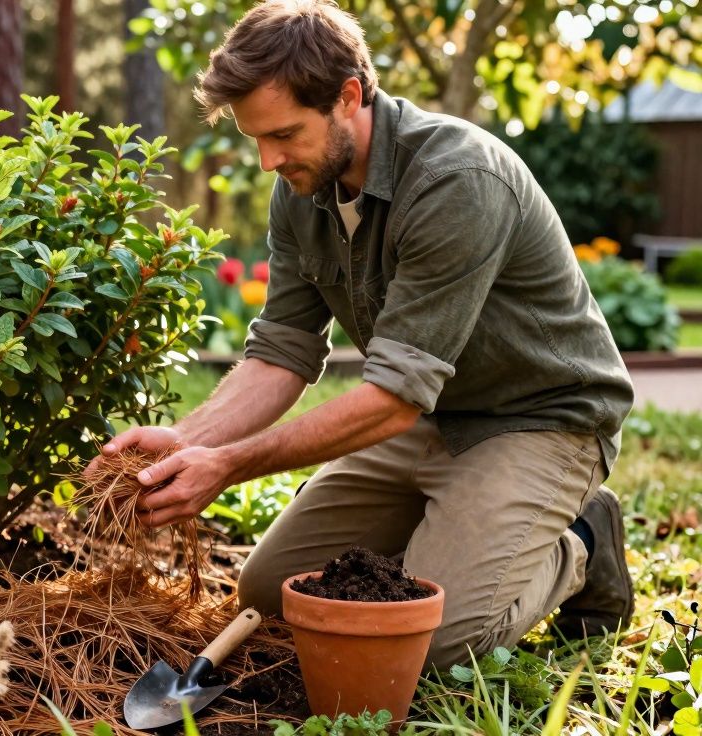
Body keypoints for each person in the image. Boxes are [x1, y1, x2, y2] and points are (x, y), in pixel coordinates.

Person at [93, 0, 636, 668]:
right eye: (255, 138)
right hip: (431, 414)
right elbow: (282, 352)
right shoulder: (302, 188)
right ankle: (459, 544)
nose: (267, 160)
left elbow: (393, 398)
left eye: (284, 134)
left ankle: (582, 541)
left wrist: (231, 464)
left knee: (425, 640)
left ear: (348, 97)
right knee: (271, 594)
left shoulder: (457, 179)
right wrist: (188, 439)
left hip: (541, 419)